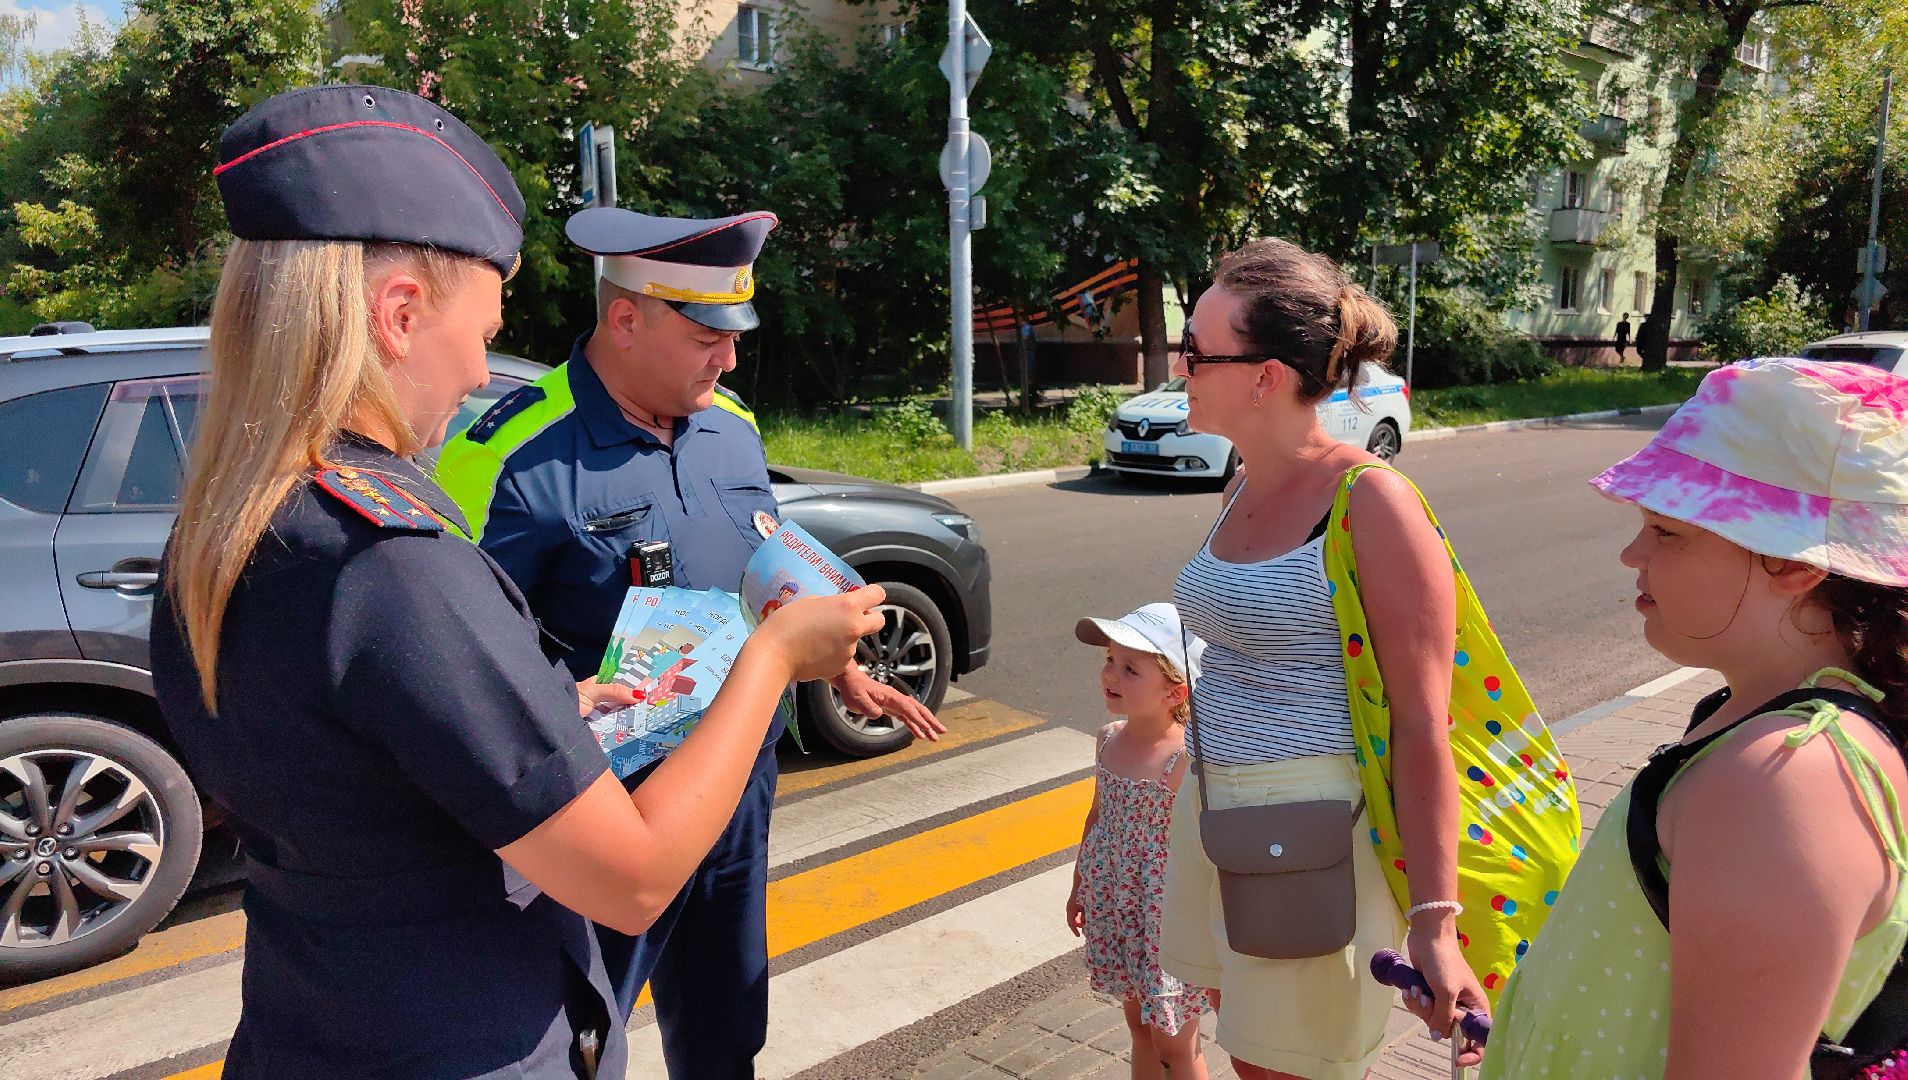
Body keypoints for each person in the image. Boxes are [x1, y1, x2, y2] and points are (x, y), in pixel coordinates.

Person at [149, 84, 887, 1079]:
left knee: (723, 1034)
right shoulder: (397, 544)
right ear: (401, 314)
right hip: (541, 895)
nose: (473, 374)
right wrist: (770, 661)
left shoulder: (227, 526)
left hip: (344, 1000)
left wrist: (552, 701)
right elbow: (608, 864)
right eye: (482, 331)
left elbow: (405, 712)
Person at [434, 205, 944, 1076]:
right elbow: (457, 656)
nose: (731, 356)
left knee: (725, 1024)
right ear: (626, 318)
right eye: (708, 333)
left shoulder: (731, 424)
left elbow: (765, 567)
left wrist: (841, 667)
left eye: (736, 333)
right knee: (581, 1041)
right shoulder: (506, 454)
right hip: (599, 815)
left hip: (736, 787)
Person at [1472, 357, 1908, 1078]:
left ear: (1796, 564)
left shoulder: (1784, 778)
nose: (1631, 553)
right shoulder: (1748, 724)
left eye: (1668, 532)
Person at [1161, 238, 1484, 1080]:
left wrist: (1435, 923)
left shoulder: (1371, 499)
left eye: (1195, 349)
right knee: (1251, 1056)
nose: (1178, 364)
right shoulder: (1242, 483)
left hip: (1307, 837)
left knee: (1284, 1069)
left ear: (1265, 376)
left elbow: (1422, 723)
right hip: (1219, 817)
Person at [1066, 603, 1213, 1080]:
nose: (1111, 674)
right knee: (1138, 1024)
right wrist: (1078, 887)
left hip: (1166, 920)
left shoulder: (1185, 759)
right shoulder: (1108, 737)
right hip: (1118, 906)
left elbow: (1208, 848)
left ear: (1176, 691)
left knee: (1175, 1041)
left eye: (1130, 668)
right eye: (1110, 660)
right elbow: (1097, 818)